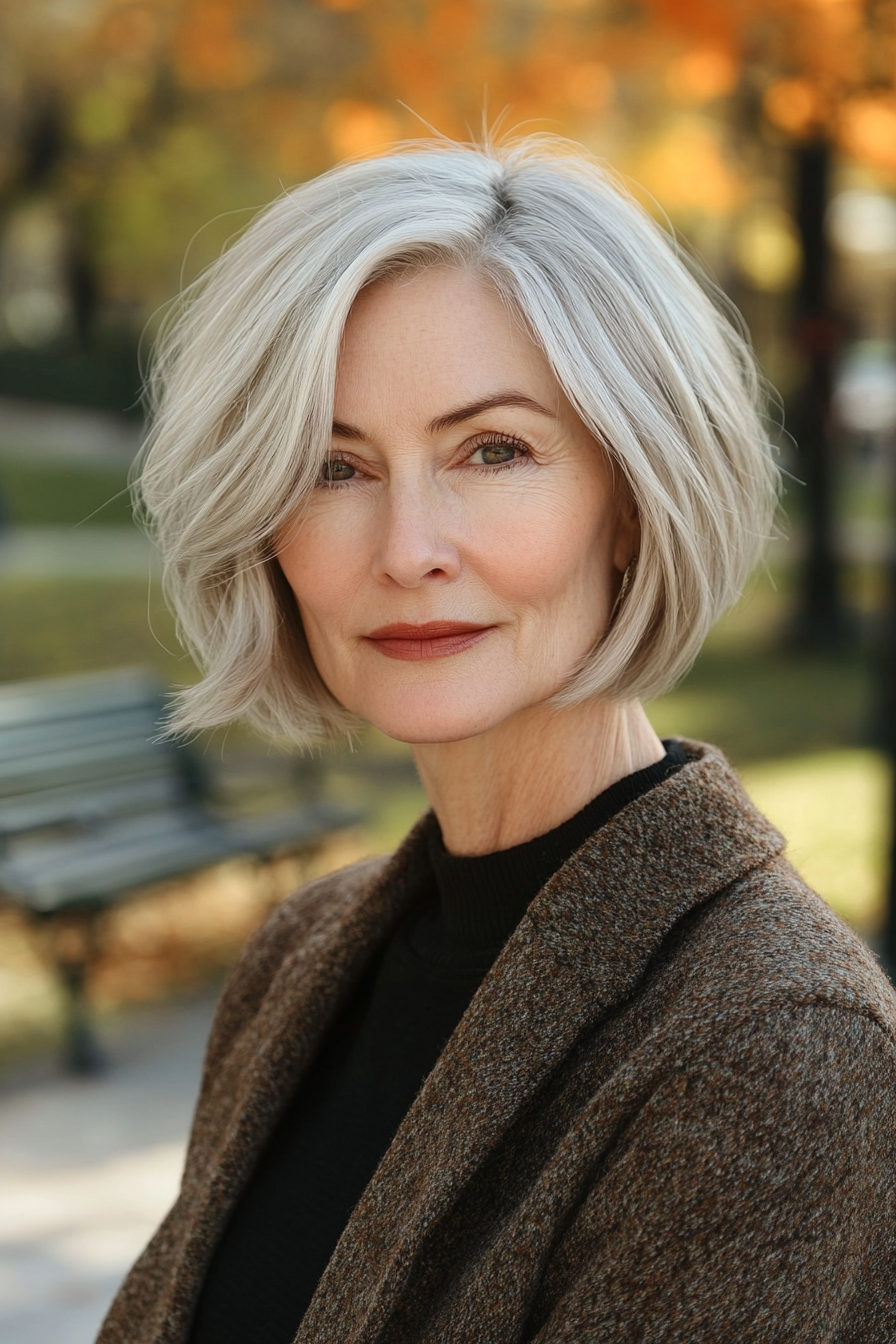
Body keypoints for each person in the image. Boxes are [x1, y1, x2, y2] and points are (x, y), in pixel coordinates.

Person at [99, 136, 896, 1344]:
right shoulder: (298, 958)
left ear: (630, 501)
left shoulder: (771, 1043)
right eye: (334, 465)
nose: (407, 547)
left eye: (493, 451)